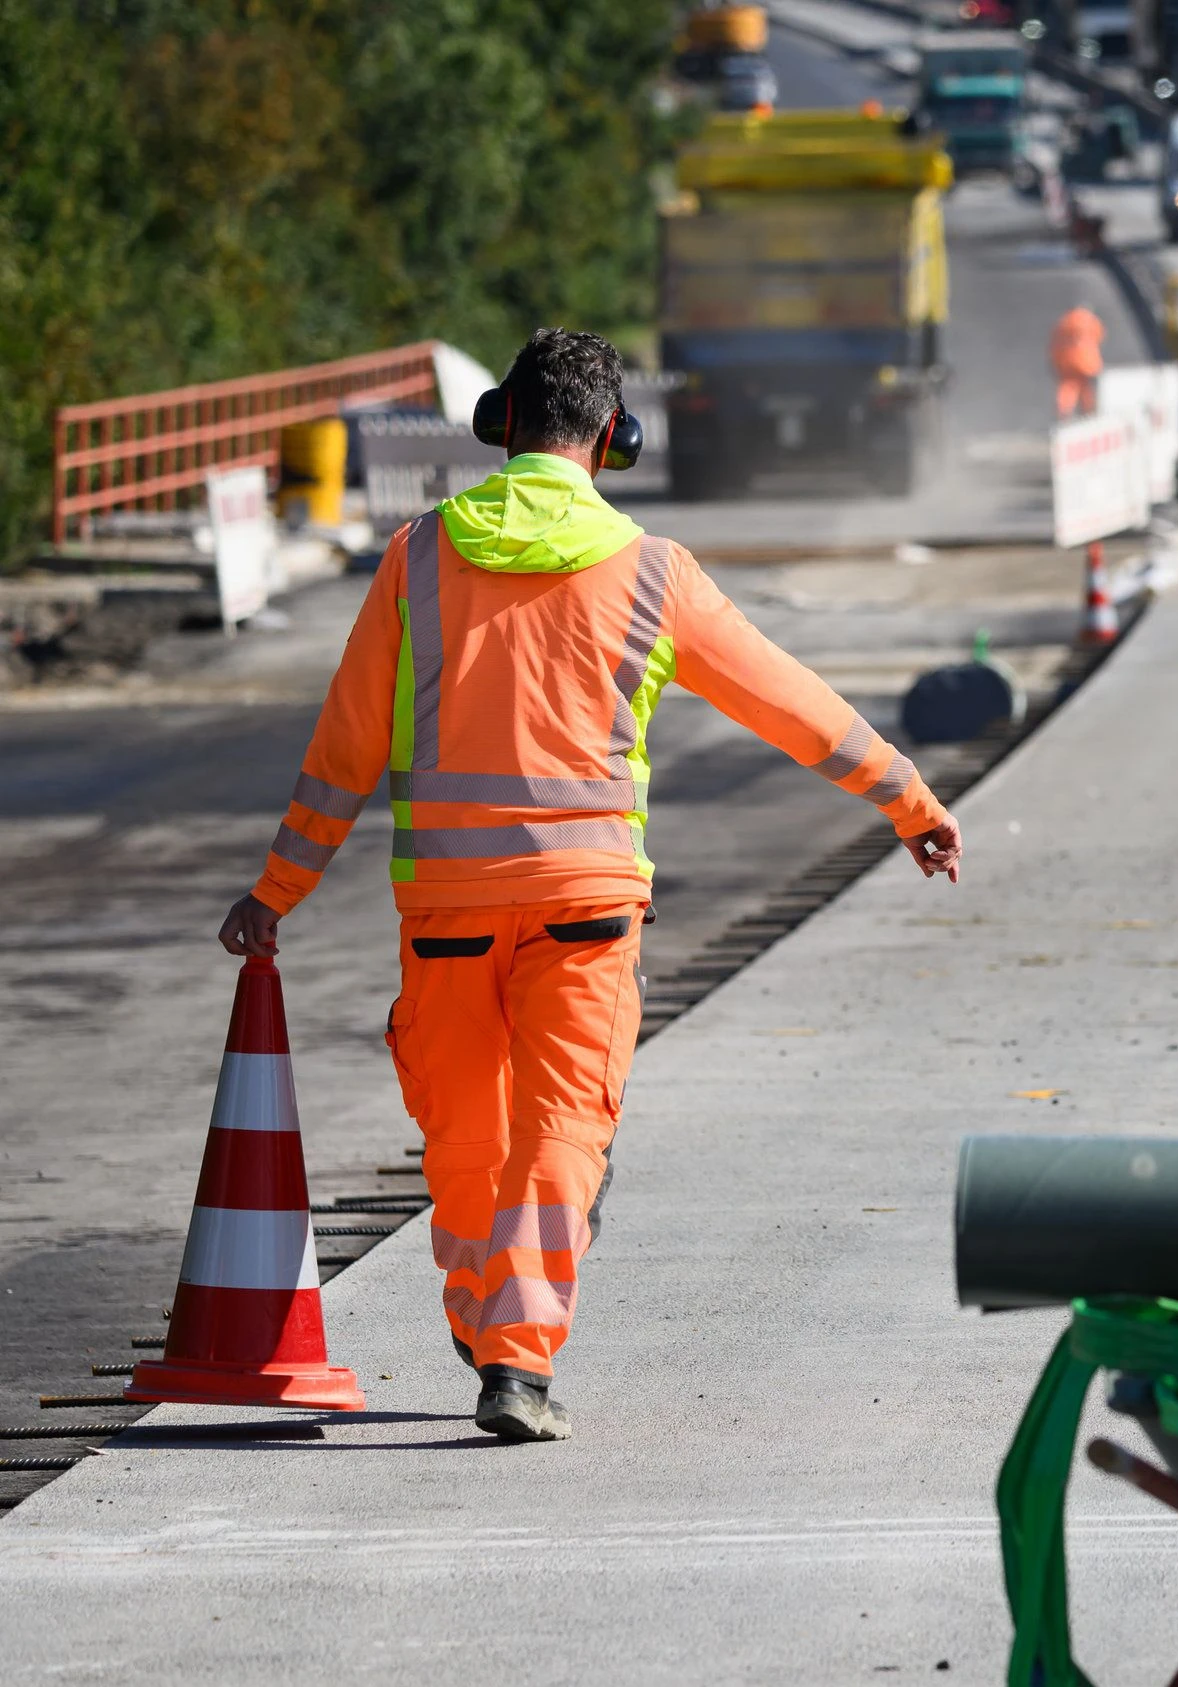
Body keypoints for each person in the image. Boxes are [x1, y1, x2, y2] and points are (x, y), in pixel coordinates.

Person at [217, 328, 963, 1443]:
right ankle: (515, 1355)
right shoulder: (655, 574)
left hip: (447, 918)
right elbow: (788, 701)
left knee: (467, 1135)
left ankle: (491, 1322)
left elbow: (343, 752)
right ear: (615, 440)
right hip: (588, 912)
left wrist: (276, 891)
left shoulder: (418, 559)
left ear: (501, 426)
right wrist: (907, 794)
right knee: (564, 1128)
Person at [1051, 304, 1105, 418]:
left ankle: (1064, 410)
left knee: (1068, 385)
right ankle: (1089, 411)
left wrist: (1055, 361)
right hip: (1086, 359)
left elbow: (1055, 341)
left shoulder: (1065, 320)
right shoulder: (1090, 319)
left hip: (1066, 359)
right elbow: (1100, 335)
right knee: (1085, 385)